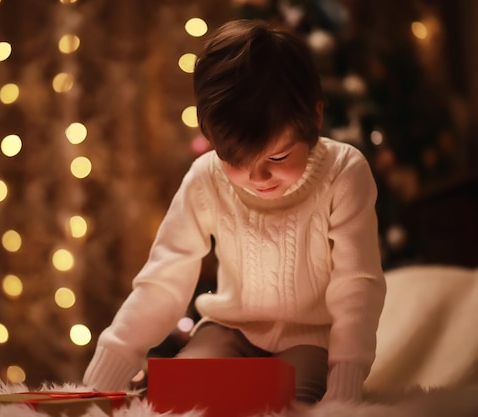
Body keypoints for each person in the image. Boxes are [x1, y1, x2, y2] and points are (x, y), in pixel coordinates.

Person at [83, 19, 386, 404]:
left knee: (289, 404)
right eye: (235, 159)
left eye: (277, 156)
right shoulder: (206, 177)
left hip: (311, 341)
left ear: (316, 117)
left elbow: (356, 286)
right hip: (228, 330)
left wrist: (343, 389)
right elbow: (163, 280)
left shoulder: (343, 172)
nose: (257, 177)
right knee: (181, 397)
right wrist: (100, 383)